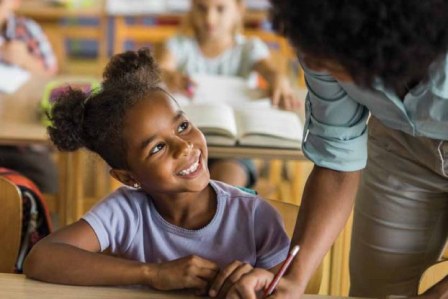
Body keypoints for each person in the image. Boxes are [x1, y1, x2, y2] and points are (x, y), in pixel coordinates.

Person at [22, 48, 290, 297]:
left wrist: (260, 281)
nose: (184, 147)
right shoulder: (126, 212)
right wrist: (153, 273)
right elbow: (41, 258)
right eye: (157, 147)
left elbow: (285, 287)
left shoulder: (255, 216)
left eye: (183, 126)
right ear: (128, 178)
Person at [225, 0, 448, 298]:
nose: (315, 66)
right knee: (376, 289)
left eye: (332, 60)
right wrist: (293, 277)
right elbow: (336, 158)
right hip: (400, 144)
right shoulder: (320, 30)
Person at [158, 0, 299, 188]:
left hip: (234, 150)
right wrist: (169, 75)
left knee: (225, 187)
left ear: (239, 10)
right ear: (192, 8)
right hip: (185, 145)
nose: (210, 18)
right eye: (202, 8)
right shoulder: (179, 45)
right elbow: (162, 68)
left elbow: (269, 70)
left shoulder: (249, 48)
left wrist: (277, 78)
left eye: (220, 9)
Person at [0, 0, 58, 193]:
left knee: (47, 185)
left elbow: (53, 79)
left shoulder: (27, 30)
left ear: (14, 3)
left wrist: (25, 59)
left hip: (24, 144)